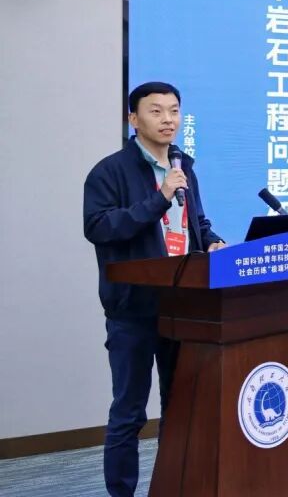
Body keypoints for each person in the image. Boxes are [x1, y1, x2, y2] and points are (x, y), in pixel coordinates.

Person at [83, 82, 226, 497]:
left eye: (174, 111)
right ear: (134, 119)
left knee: (178, 408)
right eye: (157, 111)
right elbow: (99, 227)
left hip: (183, 307)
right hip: (133, 310)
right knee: (129, 413)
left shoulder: (184, 169)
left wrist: (212, 241)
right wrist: (159, 198)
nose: (168, 120)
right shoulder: (110, 171)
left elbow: (195, 224)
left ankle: (171, 486)